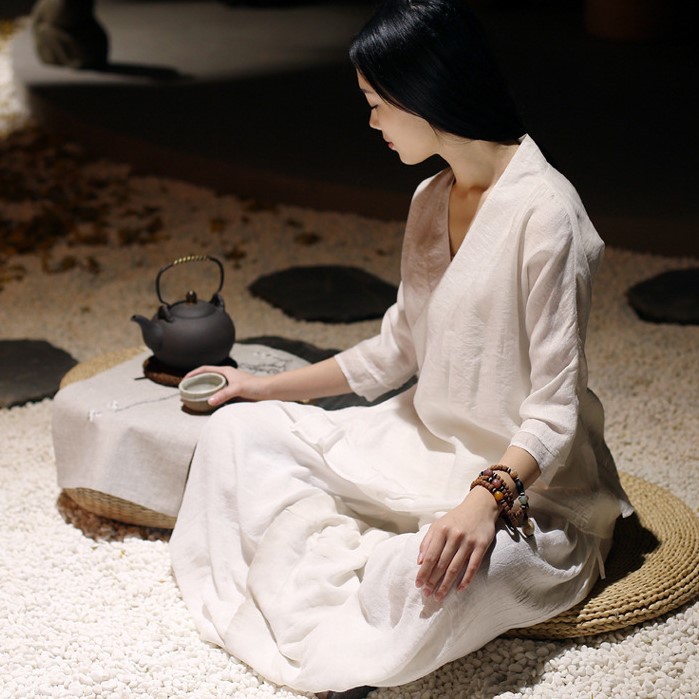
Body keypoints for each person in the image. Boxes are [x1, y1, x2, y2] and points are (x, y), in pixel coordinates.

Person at [169, 1, 632, 697]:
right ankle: (351, 570)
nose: (372, 123)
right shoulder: (429, 198)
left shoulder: (547, 214)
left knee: (418, 574)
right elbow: (394, 351)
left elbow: (555, 410)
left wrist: (484, 501)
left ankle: (360, 577)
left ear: (423, 94)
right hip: (419, 442)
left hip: (532, 488)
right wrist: (255, 386)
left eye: (376, 104)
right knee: (236, 434)